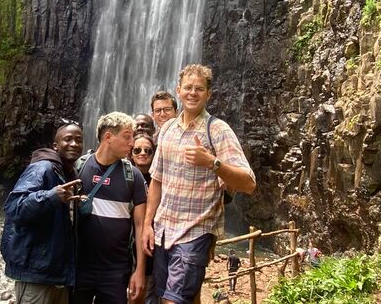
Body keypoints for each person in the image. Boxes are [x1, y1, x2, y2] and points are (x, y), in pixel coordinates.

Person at [141, 64, 257, 304]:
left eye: (199, 89)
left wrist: (212, 162)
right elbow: (157, 181)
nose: (193, 93)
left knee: (172, 301)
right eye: (188, 88)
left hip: (196, 231)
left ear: (208, 94)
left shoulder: (217, 130)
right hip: (163, 231)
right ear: (179, 90)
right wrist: (147, 225)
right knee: (168, 297)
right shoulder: (167, 130)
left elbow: (249, 183)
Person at [0, 123, 84, 304]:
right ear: (55, 146)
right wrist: (51, 196)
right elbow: (14, 206)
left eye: (78, 140)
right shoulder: (42, 169)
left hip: (58, 274)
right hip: (36, 275)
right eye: (68, 139)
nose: (74, 144)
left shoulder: (70, 174)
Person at [73, 112, 148, 304]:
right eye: (126, 136)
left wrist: (139, 270)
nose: (132, 143)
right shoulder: (79, 168)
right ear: (108, 137)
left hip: (116, 271)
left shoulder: (134, 177)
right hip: (80, 267)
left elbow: (141, 226)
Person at [129, 133, 157, 304]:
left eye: (148, 150)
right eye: (137, 150)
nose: (143, 153)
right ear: (130, 153)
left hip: (154, 249)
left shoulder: (160, 180)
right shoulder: (122, 177)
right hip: (126, 249)